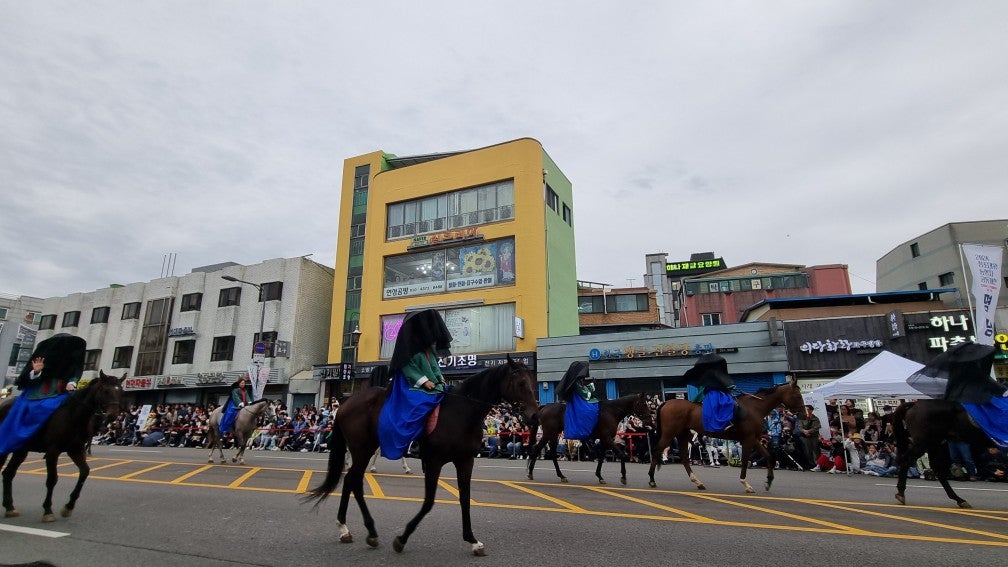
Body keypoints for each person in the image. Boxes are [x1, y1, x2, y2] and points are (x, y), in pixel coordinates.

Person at [377, 309, 453, 460]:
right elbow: (408, 367)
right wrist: (424, 381)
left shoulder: (428, 350)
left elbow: (435, 367)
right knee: (419, 404)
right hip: (411, 385)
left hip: (433, 385)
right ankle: (415, 441)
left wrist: (440, 379)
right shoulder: (408, 348)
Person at [0, 334, 85, 456]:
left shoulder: (71, 366)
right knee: (42, 407)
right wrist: (36, 371)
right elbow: (27, 378)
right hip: (38, 393)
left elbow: (75, 373)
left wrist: (72, 382)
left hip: (61, 392)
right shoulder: (40, 363)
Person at [683, 353, 738, 432]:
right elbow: (724, 384)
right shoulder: (713, 374)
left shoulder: (706, 374)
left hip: (715, 393)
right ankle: (726, 423)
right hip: (714, 394)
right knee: (727, 403)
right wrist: (728, 387)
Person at [556, 360, 600, 442]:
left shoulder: (580, 381)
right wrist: (590, 389)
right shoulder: (575, 382)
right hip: (578, 400)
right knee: (590, 410)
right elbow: (583, 393)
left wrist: (591, 384)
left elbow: (585, 389)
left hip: (582, 398)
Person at [797, 404, 822, 471]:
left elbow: (816, 427)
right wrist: (804, 431)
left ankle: (818, 464)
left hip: (814, 436)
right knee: (807, 451)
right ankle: (810, 464)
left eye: (807, 409)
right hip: (805, 437)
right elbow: (800, 426)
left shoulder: (815, 418)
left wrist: (809, 431)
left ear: (811, 410)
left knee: (816, 450)